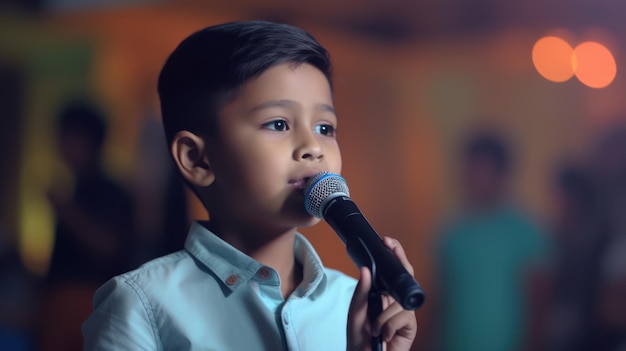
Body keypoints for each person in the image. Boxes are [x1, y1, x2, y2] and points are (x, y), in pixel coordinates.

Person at [82, 20, 418, 350]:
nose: (313, 147)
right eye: (278, 123)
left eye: (325, 128)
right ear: (197, 160)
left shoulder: (354, 304)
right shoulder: (141, 306)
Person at [433, 130, 551, 351]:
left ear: (502, 173)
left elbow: (540, 303)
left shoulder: (526, 230)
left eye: (482, 169)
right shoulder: (451, 231)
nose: (473, 177)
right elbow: (442, 298)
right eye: (469, 168)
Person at [40, 100, 135, 351]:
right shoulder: (74, 189)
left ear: (88, 141)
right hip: (63, 303)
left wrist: (65, 211)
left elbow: (109, 247)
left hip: (88, 301)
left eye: (66, 136)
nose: (60, 144)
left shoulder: (110, 192)